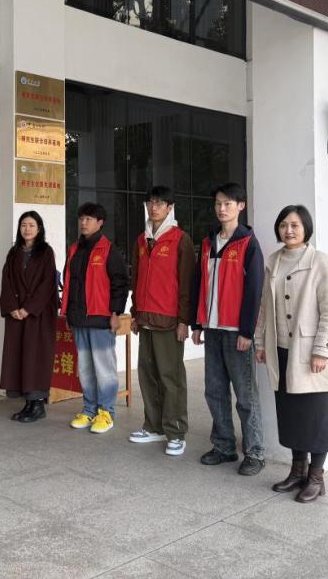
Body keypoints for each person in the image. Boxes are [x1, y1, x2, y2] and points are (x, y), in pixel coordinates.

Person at [255, 205, 328, 503]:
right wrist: (260, 343)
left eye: (294, 225)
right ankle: (297, 471)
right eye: (283, 225)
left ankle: (316, 477)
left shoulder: (320, 261)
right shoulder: (274, 261)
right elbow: (264, 306)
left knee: (316, 415)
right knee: (291, 414)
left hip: (309, 352)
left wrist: (322, 351)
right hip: (281, 350)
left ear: (306, 228)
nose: (288, 230)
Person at [190, 182, 266, 475]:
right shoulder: (208, 243)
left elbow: (254, 290)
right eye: (218, 204)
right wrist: (198, 323)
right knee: (215, 391)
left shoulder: (248, 243)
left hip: (237, 332)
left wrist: (247, 331)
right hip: (212, 329)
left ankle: (255, 452)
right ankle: (223, 446)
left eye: (228, 204)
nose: (222, 209)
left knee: (245, 396)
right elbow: (199, 283)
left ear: (240, 206)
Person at [129, 186, 195, 456]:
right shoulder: (141, 239)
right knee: (147, 375)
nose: (154, 207)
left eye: (159, 203)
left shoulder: (180, 239)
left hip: (169, 320)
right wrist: (135, 313)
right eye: (150, 202)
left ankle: (176, 432)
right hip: (145, 318)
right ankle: (153, 426)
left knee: (171, 377)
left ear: (170, 208)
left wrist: (184, 320)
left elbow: (186, 284)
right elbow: (136, 278)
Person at [61, 202, 129, 434]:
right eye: (81, 218)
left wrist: (115, 313)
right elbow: (68, 283)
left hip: (101, 319)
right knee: (85, 370)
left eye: (89, 219)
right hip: (79, 318)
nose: (83, 223)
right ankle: (89, 410)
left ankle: (106, 412)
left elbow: (120, 283)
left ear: (100, 223)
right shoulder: (74, 249)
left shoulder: (109, 250)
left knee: (104, 369)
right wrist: (67, 312)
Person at [0, 211, 59, 422]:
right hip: (17, 315)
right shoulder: (14, 252)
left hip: (37, 315)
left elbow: (47, 284)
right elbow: (6, 280)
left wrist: (28, 308)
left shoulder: (46, 252)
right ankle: (28, 403)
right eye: (23, 224)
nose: (27, 229)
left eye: (31, 225)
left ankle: (38, 405)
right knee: (19, 357)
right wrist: (12, 307)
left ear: (39, 228)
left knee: (36, 357)